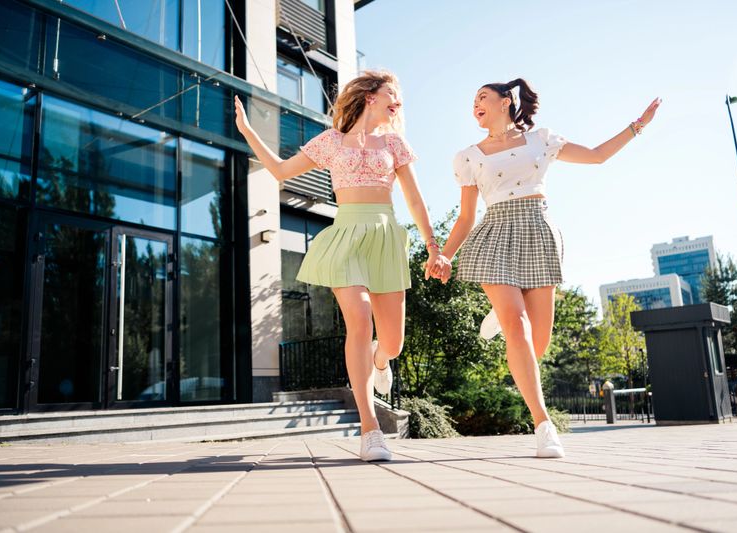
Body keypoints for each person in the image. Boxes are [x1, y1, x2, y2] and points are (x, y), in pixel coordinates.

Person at [431, 78, 660, 458]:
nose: (476, 105)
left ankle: (503, 315)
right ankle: (543, 423)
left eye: (483, 97)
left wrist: (638, 125)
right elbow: (466, 216)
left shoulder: (542, 139)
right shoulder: (469, 156)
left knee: (538, 343)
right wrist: (446, 255)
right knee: (517, 329)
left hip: (538, 229)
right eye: (473, 101)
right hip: (496, 233)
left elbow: (598, 155)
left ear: (507, 101)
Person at [234, 70, 445, 462]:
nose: (397, 99)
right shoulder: (331, 141)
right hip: (346, 236)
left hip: (384, 236)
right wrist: (248, 132)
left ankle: (381, 359)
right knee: (359, 321)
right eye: (391, 92)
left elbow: (415, 200)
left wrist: (433, 246)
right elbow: (281, 171)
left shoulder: (395, 142)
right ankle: (370, 429)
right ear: (370, 96)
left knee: (393, 342)